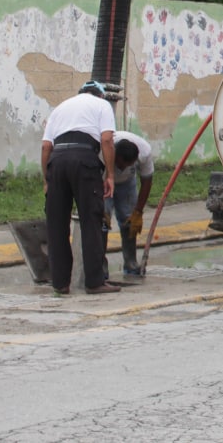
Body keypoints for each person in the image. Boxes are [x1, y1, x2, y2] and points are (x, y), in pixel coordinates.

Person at [40, 80, 120, 295]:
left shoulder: (61, 107)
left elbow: (46, 146)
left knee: (56, 224)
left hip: (57, 162)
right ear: (101, 95)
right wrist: (110, 175)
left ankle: (60, 283)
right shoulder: (102, 106)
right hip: (84, 160)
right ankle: (94, 282)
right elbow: (107, 140)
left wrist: (47, 180)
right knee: (91, 220)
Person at [107, 130, 154, 276]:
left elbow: (147, 180)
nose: (121, 169)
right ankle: (99, 267)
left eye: (126, 165)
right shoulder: (104, 150)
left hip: (127, 184)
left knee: (129, 221)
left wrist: (138, 211)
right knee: (101, 223)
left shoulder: (144, 152)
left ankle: (130, 262)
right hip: (103, 180)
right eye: (120, 165)